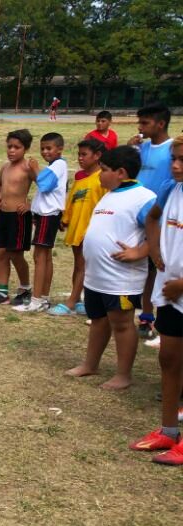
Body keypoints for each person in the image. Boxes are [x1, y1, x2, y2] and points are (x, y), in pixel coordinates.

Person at [65, 145, 158, 390]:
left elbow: (158, 234)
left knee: (122, 324)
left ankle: (123, 374)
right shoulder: (109, 193)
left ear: (120, 172)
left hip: (121, 279)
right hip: (97, 276)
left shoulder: (144, 198)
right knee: (98, 320)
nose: (100, 174)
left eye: (104, 170)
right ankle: (90, 364)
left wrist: (139, 252)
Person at [134, 134, 183, 463]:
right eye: (174, 159)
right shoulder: (170, 188)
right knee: (169, 360)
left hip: (179, 290)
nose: (176, 165)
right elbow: (151, 217)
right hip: (169, 293)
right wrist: (153, 248)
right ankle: (168, 431)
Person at [49, 138, 107, 317]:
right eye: (78, 154)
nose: (80, 158)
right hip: (76, 228)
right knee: (79, 266)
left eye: (84, 155)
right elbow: (72, 200)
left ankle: (72, 301)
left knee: (83, 266)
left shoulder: (102, 179)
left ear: (97, 156)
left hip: (91, 231)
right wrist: (65, 219)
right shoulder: (80, 178)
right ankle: (81, 299)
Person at [131, 104, 174, 341]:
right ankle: (146, 317)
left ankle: (164, 321)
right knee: (144, 270)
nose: (140, 127)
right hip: (138, 217)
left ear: (160, 123)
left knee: (160, 267)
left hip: (161, 219)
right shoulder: (141, 148)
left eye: (145, 122)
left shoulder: (172, 151)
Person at [14, 133, 69, 312]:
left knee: (40, 257)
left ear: (59, 149)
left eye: (49, 148)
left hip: (48, 215)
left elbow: (44, 185)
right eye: (42, 148)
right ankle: (43, 297)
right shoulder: (55, 166)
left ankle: (36, 300)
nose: (45, 152)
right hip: (46, 214)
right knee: (44, 256)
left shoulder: (59, 165)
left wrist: (36, 168)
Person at [0, 130, 36, 304]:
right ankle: (2, 292)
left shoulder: (28, 167)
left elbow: (44, 187)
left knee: (15, 254)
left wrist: (30, 205)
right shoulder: (5, 166)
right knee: (2, 253)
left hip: (19, 217)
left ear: (25, 149)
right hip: (3, 215)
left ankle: (25, 288)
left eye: (16, 147)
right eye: (9, 146)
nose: (12, 150)